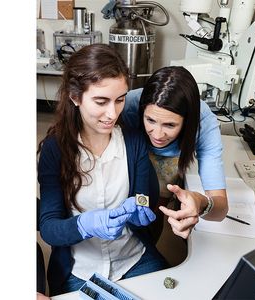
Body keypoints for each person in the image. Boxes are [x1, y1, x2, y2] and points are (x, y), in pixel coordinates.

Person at [37, 44, 167, 296]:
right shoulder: (55, 150)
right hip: (80, 270)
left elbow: (143, 197)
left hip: (134, 258)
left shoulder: (133, 141)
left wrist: (140, 208)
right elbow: (50, 228)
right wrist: (84, 225)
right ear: (75, 97)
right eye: (101, 101)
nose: (112, 113)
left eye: (120, 100)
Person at [122, 66, 229, 240]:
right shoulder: (126, 105)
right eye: (150, 120)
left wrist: (201, 202)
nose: (157, 135)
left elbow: (221, 210)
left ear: (188, 122)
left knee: (152, 221)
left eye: (170, 125)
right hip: (126, 178)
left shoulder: (204, 123)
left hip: (161, 197)